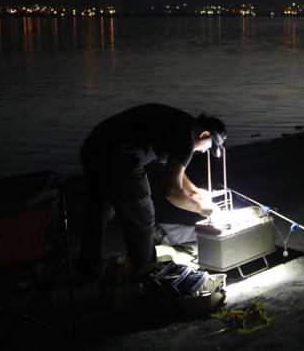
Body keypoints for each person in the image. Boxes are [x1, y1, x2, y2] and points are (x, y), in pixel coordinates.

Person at [76, 104, 227, 280]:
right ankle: (146, 276)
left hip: (94, 148)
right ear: (204, 134)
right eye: (207, 147)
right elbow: (172, 193)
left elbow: (171, 166)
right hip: (118, 154)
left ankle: (86, 270)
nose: (203, 151)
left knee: (99, 213)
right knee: (142, 215)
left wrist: (193, 192)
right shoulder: (185, 138)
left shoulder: (180, 124)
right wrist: (203, 209)